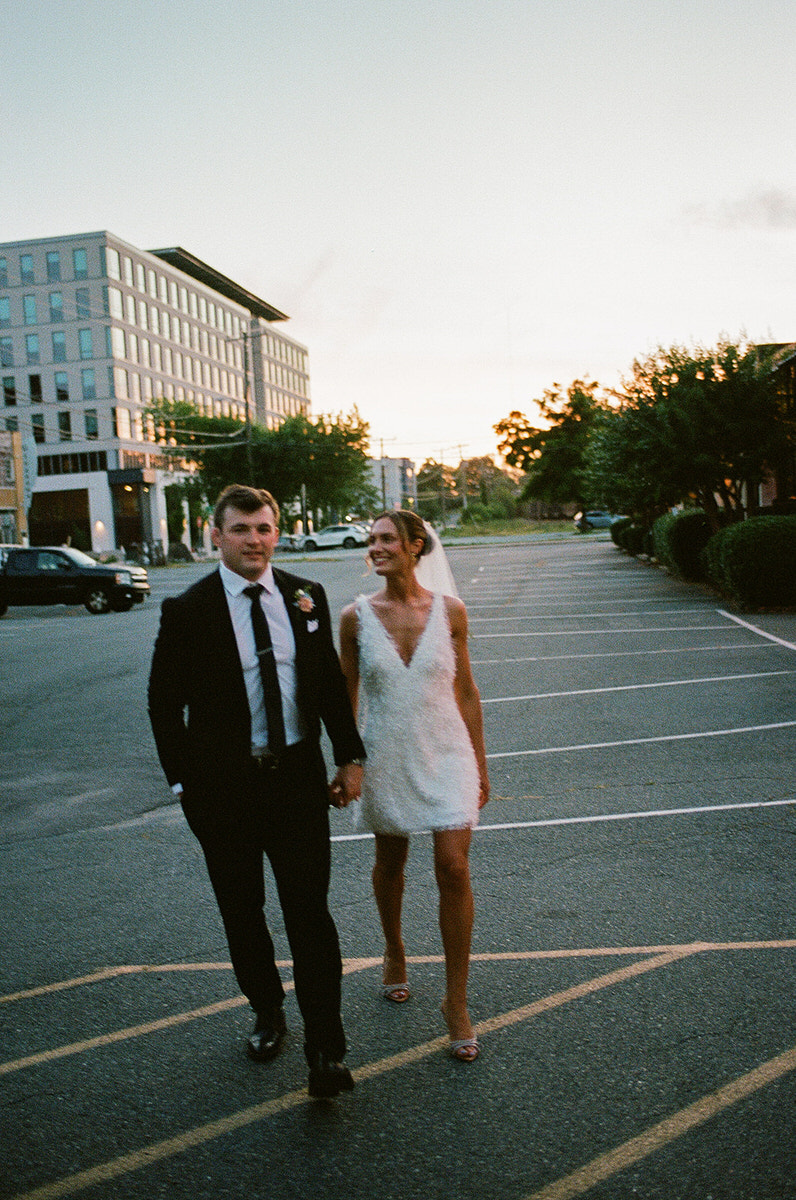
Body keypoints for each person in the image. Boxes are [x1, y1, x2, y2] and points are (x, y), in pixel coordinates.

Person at [148, 484, 365, 1099]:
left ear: (277, 532)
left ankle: (326, 1047)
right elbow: (165, 707)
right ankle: (268, 1011)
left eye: (264, 528)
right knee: (243, 913)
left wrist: (349, 756)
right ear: (216, 535)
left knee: (310, 915)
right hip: (224, 793)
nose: (255, 540)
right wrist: (186, 786)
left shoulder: (306, 597)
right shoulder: (188, 610)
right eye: (241, 529)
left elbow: (326, 684)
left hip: (297, 783)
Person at [338, 510, 489, 1062]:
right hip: (386, 754)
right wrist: (346, 763)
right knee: (391, 859)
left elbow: (467, 691)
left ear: (415, 546)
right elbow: (344, 698)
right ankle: (395, 949)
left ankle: (457, 1000)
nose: (373, 547)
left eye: (385, 539)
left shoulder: (451, 611)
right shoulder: (355, 618)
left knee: (453, 864)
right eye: (371, 540)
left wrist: (480, 762)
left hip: (447, 752)